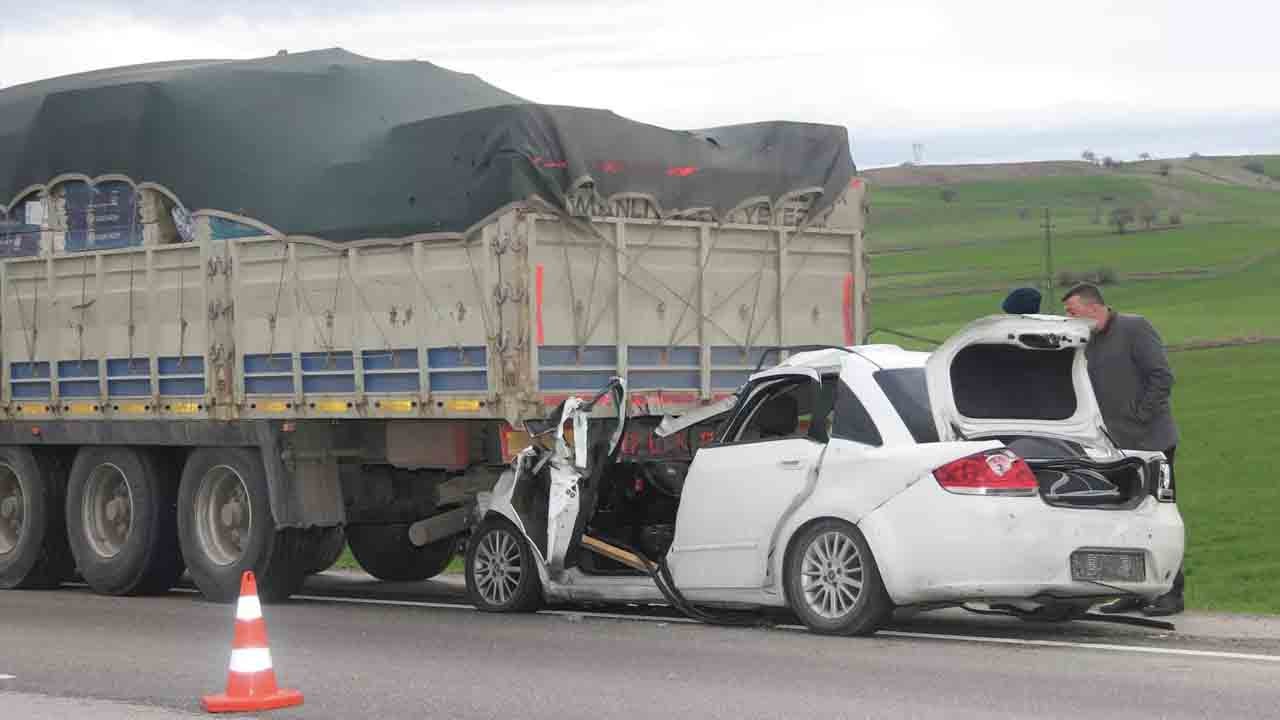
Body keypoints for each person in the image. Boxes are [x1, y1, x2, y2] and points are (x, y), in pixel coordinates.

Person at [1061, 282, 1182, 616]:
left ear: (1091, 306)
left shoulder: (1135, 328)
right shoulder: (1086, 341)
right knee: (1123, 521)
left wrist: (1139, 417)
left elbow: (1161, 378)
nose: (1068, 318)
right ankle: (1133, 591)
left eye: (1071, 311)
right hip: (1112, 448)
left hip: (1152, 443)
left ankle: (1172, 592)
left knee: (1159, 516)